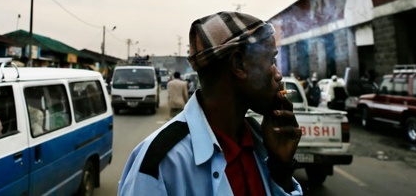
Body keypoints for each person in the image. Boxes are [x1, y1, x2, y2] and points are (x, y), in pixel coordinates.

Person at [119, 11, 302, 196]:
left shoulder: (260, 143)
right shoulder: (161, 164)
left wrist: (281, 169)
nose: (278, 75)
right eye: (271, 61)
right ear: (239, 64)